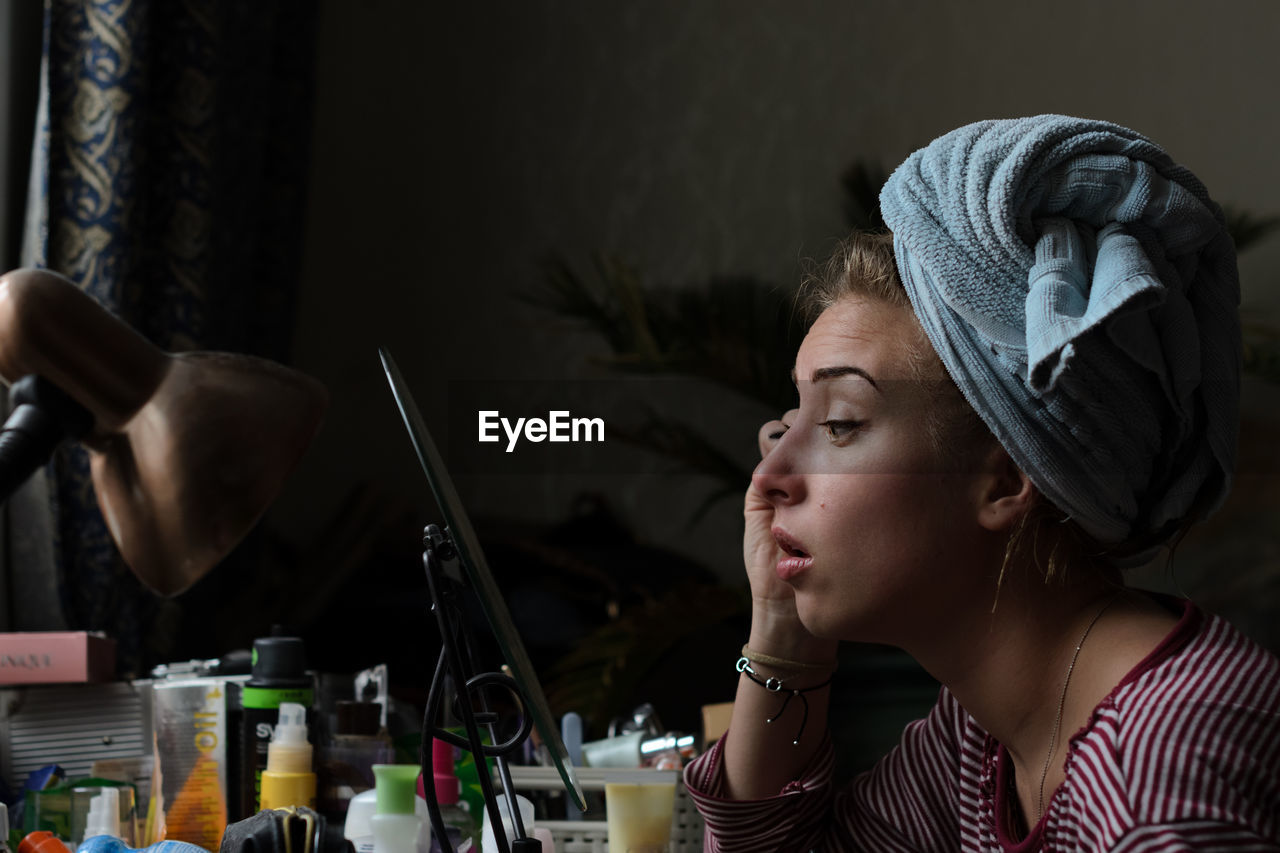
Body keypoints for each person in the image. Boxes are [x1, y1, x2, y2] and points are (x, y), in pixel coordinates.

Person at [682, 116, 1280, 851]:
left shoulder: (1161, 779)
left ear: (1003, 477)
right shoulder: (983, 738)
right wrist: (780, 634)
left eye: (840, 423)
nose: (769, 476)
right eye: (790, 422)